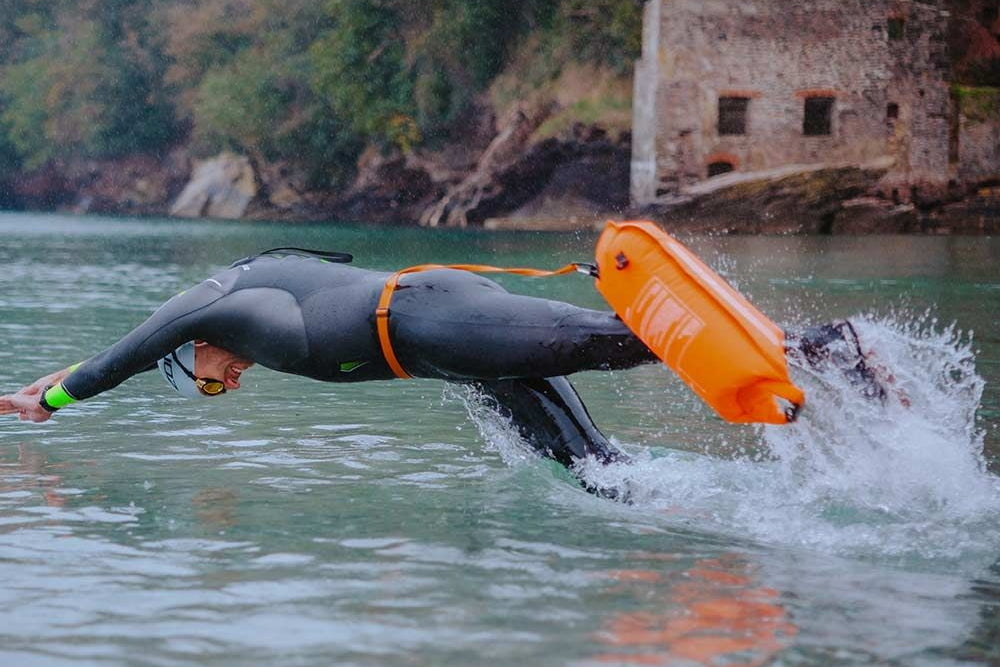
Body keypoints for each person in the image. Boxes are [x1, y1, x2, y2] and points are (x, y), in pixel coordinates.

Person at [0, 249, 886, 499]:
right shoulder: (242, 313)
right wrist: (57, 376)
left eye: (202, 381)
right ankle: (733, 497)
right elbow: (143, 339)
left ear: (195, 350)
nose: (224, 385)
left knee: (611, 342)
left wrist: (64, 397)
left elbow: (146, 338)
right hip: (454, 354)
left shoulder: (229, 313)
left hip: (433, 317)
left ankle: (823, 346)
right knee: (594, 472)